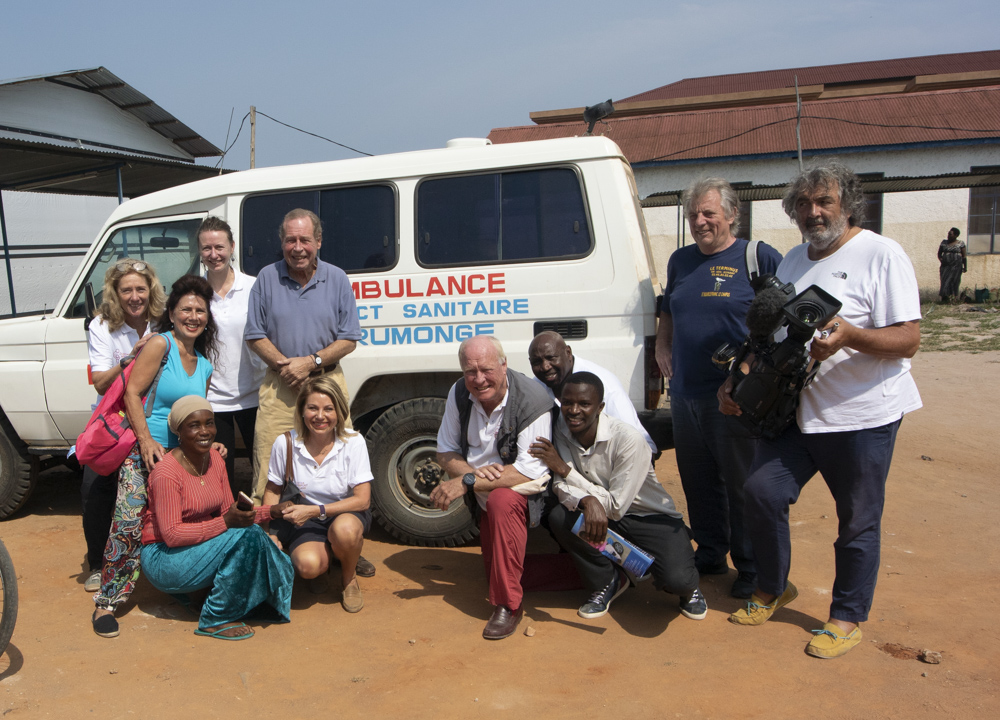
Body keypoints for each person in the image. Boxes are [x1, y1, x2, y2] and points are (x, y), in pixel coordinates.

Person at [722, 162, 921, 659]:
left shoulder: (881, 254)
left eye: (824, 201)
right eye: (804, 203)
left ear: (847, 205)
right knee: (761, 492)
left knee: (856, 520)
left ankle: (846, 617)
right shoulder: (792, 260)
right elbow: (768, 335)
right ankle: (773, 586)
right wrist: (738, 376)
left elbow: (908, 339)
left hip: (862, 416)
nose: (813, 212)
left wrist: (851, 335)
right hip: (797, 411)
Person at [654, 178, 782, 599]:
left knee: (741, 483)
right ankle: (710, 553)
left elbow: (781, 320)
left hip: (736, 396)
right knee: (698, 480)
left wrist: (749, 370)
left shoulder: (757, 257)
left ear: (731, 215)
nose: (700, 221)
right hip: (686, 393)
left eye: (709, 213)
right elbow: (669, 309)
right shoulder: (681, 260)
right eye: (693, 215)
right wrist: (662, 344)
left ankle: (750, 566)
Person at [91, 275, 219, 639]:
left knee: (183, 522)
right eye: (186, 309)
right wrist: (145, 440)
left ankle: (185, 585)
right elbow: (132, 393)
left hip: (181, 460)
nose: (193, 316)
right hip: (144, 454)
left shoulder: (204, 364)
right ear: (172, 313)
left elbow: (196, 415)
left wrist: (211, 446)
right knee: (128, 524)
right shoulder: (160, 344)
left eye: (200, 311)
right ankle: (107, 602)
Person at [529, 372, 706, 622]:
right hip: (603, 515)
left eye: (584, 404)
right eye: (567, 403)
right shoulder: (562, 429)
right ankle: (609, 580)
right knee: (559, 516)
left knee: (677, 581)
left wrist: (567, 471)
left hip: (649, 517)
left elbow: (615, 506)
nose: (574, 411)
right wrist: (586, 500)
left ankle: (686, 582)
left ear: (600, 407)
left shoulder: (628, 439)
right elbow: (559, 485)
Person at [140, 396, 295, 640]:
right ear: (179, 431)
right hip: (164, 557)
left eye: (209, 423)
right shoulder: (166, 473)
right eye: (194, 425)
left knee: (249, 534)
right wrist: (225, 522)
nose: (205, 431)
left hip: (198, 547)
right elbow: (172, 535)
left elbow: (229, 514)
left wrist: (271, 511)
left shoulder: (214, 459)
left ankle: (202, 595)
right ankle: (215, 618)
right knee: (249, 537)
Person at [431, 335, 553, 640]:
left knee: (501, 500)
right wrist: (473, 476)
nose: (479, 379)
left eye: (486, 369)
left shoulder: (532, 399)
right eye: (470, 372)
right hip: (483, 492)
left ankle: (508, 606)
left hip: (520, 496)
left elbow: (528, 470)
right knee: (499, 572)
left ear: (504, 365)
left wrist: (469, 481)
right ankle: (588, 573)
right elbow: (445, 451)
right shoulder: (459, 392)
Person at [244, 209, 362, 504]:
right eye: (290, 240)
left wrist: (310, 363)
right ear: (282, 242)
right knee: (267, 469)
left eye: (305, 240)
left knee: (339, 461)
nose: (298, 248)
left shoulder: (337, 278)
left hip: (327, 384)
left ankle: (335, 524)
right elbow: (255, 335)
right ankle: (267, 529)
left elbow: (349, 339)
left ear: (318, 241)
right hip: (279, 387)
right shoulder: (267, 278)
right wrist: (288, 370)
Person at [81, 259, 164, 594]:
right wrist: (131, 356)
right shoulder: (102, 326)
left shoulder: (163, 320)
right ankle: (97, 563)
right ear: (115, 293)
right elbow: (101, 383)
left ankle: (155, 558)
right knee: (95, 489)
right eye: (126, 290)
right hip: (115, 421)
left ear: (151, 290)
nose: (134, 296)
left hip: (154, 415)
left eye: (140, 289)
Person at [262, 376, 372, 612]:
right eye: (312, 408)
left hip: (344, 514)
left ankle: (348, 578)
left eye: (328, 409)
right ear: (302, 411)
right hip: (305, 521)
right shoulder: (285, 443)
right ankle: (324, 564)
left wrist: (315, 510)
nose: (320, 416)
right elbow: (272, 489)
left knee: (344, 531)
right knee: (308, 566)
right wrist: (269, 533)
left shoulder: (354, 442)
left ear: (339, 412)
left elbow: (362, 500)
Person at [199, 216, 266, 498]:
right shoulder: (195, 292)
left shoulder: (255, 287)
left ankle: (268, 520)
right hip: (213, 400)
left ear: (232, 247)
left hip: (255, 394)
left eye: (219, 247)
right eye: (206, 248)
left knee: (265, 472)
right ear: (199, 251)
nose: (213, 254)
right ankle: (224, 522)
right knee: (219, 476)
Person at [527, 331, 657, 454]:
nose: (545, 367)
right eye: (536, 362)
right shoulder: (536, 387)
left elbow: (638, 444)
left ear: (568, 353)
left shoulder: (605, 387)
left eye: (551, 358)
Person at [938, 227, 966, 303]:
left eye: (950, 234)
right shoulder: (944, 242)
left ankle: (953, 298)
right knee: (945, 281)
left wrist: (965, 267)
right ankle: (945, 298)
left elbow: (964, 256)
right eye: (948, 234)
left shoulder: (961, 243)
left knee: (954, 281)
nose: (948, 236)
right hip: (945, 267)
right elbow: (939, 253)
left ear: (956, 235)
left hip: (956, 267)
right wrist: (942, 261)